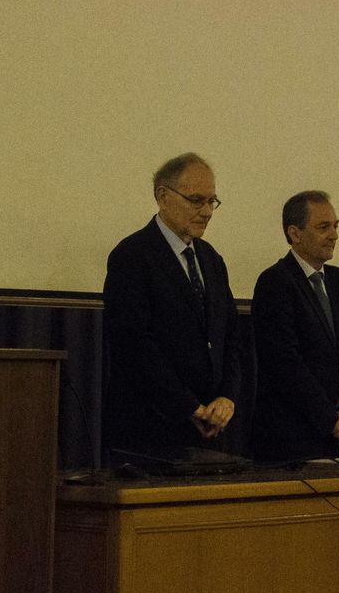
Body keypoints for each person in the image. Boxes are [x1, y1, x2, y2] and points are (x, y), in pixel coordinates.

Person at [102, 153, 243, 457]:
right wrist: (189, 407)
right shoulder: (132, 256)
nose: (206, 211)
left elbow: (230, 337)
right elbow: (134, 345)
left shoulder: (212, 260)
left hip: (211, 432)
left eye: (211, 201)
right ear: (163, 197)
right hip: (151, 433)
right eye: (196, 200)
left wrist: (227, 398)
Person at [250, 191, 339, 461]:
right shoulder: (276, 282)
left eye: (336, 226)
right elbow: (284, 364)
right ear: (295, 233)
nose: (334, 235)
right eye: (323, 227)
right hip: (293, 441)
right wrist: (331, 420)